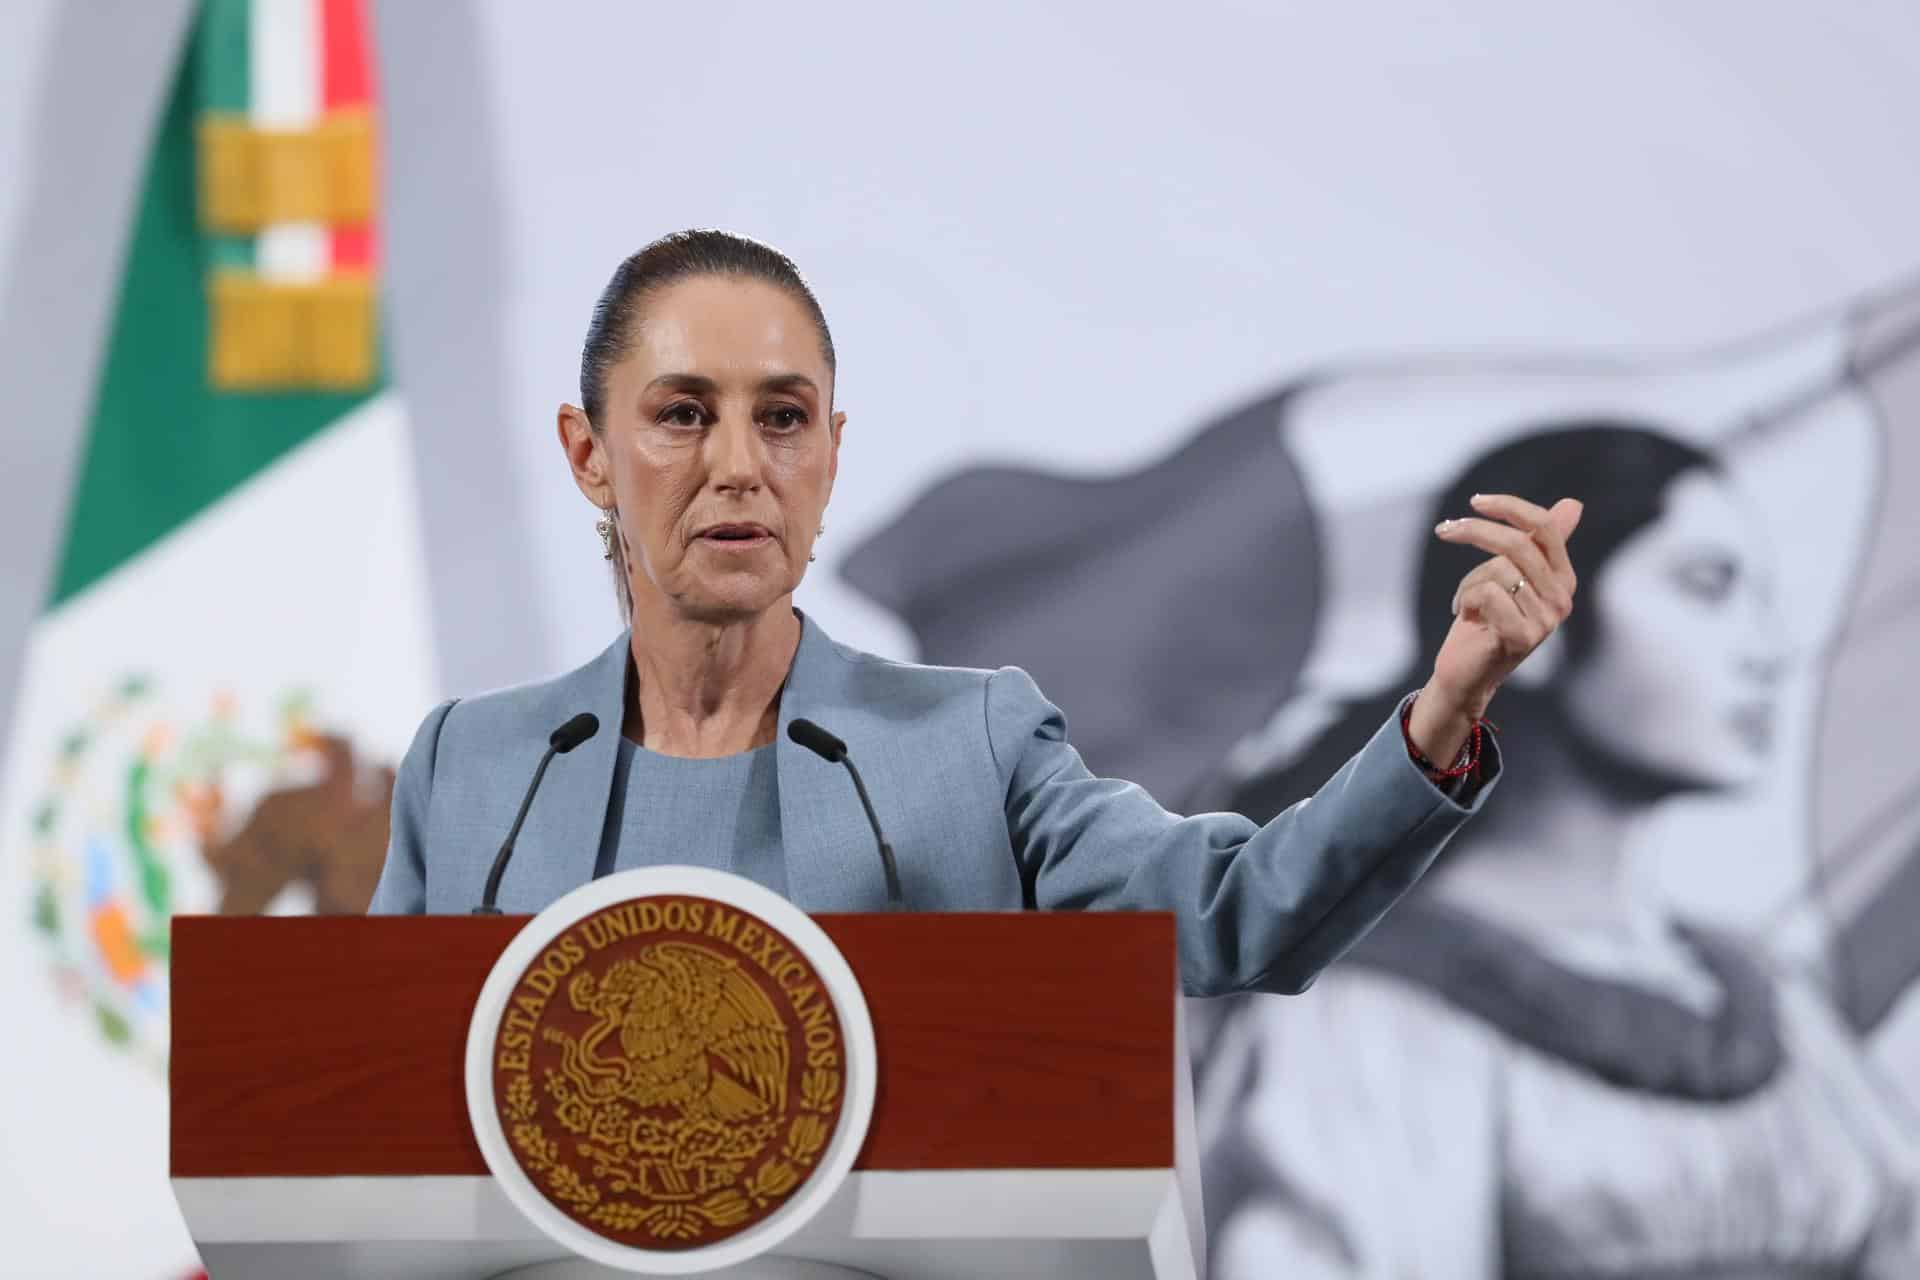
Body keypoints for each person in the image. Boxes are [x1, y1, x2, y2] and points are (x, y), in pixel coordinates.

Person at [367, 229, 1582, 1000]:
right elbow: (360, 1103)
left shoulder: (970, 744)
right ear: (587, 452)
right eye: (683, 412)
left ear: (832, 456)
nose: (738, 463)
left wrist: (1443, 710)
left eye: (783, 417)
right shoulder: (473, 768)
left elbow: (1235, 914)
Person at [1196, 425, 1920, 1276]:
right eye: (1706, 587)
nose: (1766, 652)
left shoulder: (1776, 1009)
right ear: (1528, 621)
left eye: (1763, 598)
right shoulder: (1373, 1013)